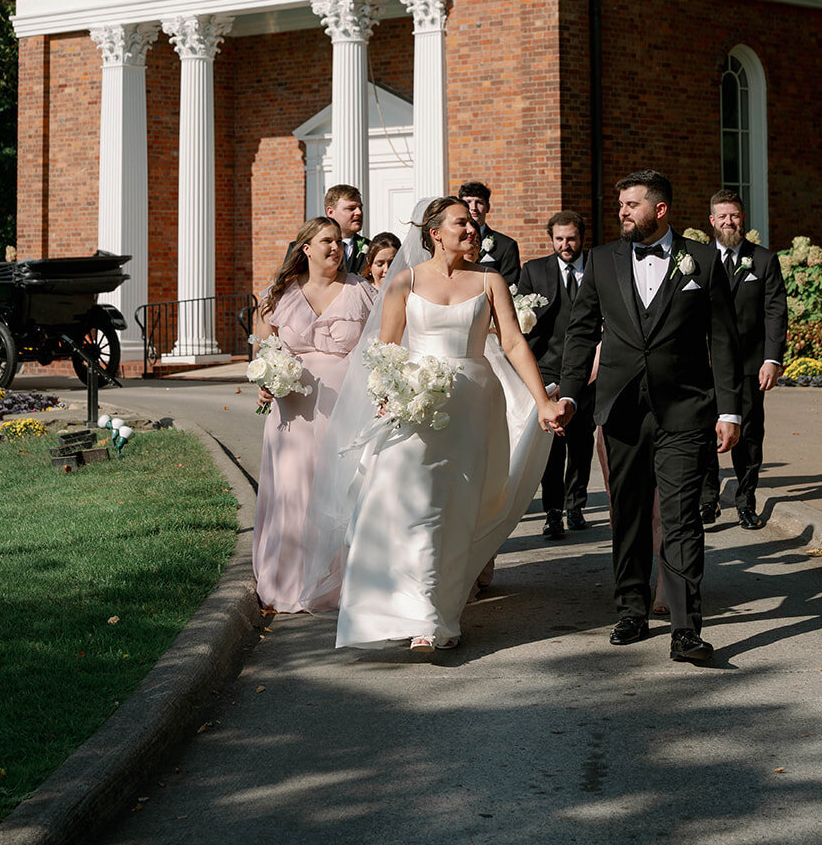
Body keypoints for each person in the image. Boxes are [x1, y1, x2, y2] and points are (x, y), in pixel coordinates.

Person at [308, 196, 562, 652]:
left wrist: (542, 401)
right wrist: (385, 396)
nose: (471, 230)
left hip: (472, 412)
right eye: (461, 223)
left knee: (456, 511)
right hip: (414, 408)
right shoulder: (403, 282)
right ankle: (403, 612)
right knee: (407, 505)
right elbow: (386, 350)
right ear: (435, 233)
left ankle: (438, 616)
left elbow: (514, 343)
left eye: (472, 223)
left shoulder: (489, 280)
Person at [557, 169, 743, 666]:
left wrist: (729, 410)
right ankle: (632, 609)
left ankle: (685, 629)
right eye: (619, 204)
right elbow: (580, 334)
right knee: (631, 513)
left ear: (660, 210)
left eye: (631, 204)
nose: (622, 211)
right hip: (619, 408)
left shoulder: (700, 261)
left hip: (684, 408)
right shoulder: (601, 261)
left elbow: (722, 340)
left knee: (681, 518)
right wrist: (571, 396)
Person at [252, 216, 375, 613]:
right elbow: (263, 348)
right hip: (295, 412)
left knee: (340, 490)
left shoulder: (362, 292)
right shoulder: (278, 294)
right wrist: (265, 378)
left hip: (345, 407)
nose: (336, 248)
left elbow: (382, 344)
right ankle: (292, 579)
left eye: (339, 241)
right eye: (327, 241)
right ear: (305, 248)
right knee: (295, 490)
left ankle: (339, 581)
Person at [700, 188, 788, 530]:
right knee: (706, 431)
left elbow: (775, 313)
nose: (728, 221)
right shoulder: (700, 259)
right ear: (711, 221)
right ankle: (708, 501)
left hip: (751, 363)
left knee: (749, 435)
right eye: (722, 216)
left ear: (743, 218)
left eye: (734, 215)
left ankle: (746, 502)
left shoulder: (764, 260)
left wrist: (772, 359)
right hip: (706, 364)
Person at [515, 211, 595, 537]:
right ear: (551, 239)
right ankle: (553, 511)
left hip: (588, 369)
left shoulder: (596, 266)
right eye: (559, 239)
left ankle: (576, 506)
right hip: (546, 368)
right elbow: (520, 320)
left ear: (582, 238)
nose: (565, 245)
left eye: (571, 239)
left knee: (581, 442)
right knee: (551, 445)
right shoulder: (534, 271)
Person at [284, 184, 369, 276]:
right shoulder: (300, 249)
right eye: (351, 208)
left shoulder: (371, 247)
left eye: (360, 208)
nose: (359, 212)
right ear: (330, 212)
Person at [457, 180, 521, 286]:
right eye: (468, 202)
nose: (473, 208)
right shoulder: (451, 241)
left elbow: (510, 286)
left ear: (488, 207)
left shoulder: (506, 246)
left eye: (479, 202)